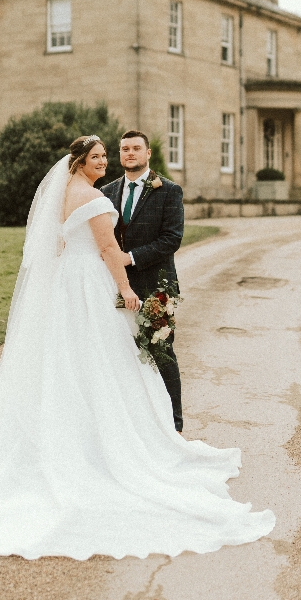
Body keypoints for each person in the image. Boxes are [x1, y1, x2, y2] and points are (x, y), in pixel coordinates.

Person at [0, 135, 275, 559]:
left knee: (138, 356)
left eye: (116, 153)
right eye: (101, 156)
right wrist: (124, 287)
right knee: (108, 361)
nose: (109, 160)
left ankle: (170, 426)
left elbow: (140, 240)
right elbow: (108, 247)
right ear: (81, 161)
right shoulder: (96, 194)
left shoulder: (113, 192)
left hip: (94, 285)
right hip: (98, 284)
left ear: (145, 154)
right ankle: (117, 443)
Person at [101, 130, 184, 431]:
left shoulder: (169, 191)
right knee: (122, 352)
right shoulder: (107, 192)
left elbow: (171, 239)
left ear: (148, 153)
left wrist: (131, 256)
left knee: (161, 352)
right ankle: (136, 425)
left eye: (136, 148)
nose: (130, 154)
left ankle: (173, 425)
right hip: (116, 285)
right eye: (124, 149)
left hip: (157, 285)